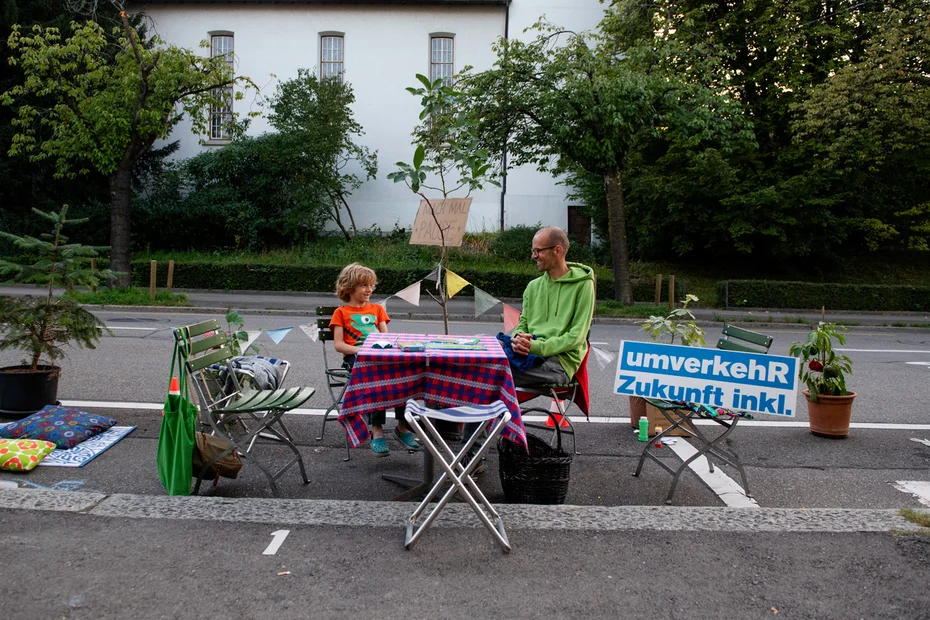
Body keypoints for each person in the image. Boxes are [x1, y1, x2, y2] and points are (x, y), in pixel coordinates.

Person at [463, 226, 595, 474]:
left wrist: (536, 345)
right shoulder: (533, 286)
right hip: (528, 355)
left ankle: (470, 456)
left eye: (537, 251)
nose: (533, 256)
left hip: (560, 363)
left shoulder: (583, 285)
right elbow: (522, 324)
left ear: (557, 251)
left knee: (489, 377)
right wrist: (517, 340)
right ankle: (469, 452)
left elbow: (576, 338)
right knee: (480, 364)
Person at [329, 263, 420, 457]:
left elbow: (385, 338)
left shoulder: (377, 309)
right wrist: (362, 350)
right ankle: (376, 429)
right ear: (349, 287)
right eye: (364, 285)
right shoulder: (341, 312)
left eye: (371, 285)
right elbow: (339, 345)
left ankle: (402, 426)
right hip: (356, 358)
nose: (369, 289)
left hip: (379, 356)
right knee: (375, 377)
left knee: (403, 374)